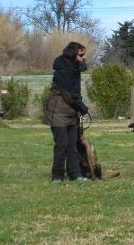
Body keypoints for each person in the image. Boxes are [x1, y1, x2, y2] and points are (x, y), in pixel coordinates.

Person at [41, 41, 89, 183]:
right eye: (81, 55)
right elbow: (70, 95)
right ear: (73, 54)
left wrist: (79, 108)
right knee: (61, 145)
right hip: (58, 113)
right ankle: (57, 175)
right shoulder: (62, 71)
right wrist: (83, 108)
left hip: (71, 112)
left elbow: (75, 93)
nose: (83, 58)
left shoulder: (75, 68)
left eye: (83, 55)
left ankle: (75, 174)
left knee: (73, 145)